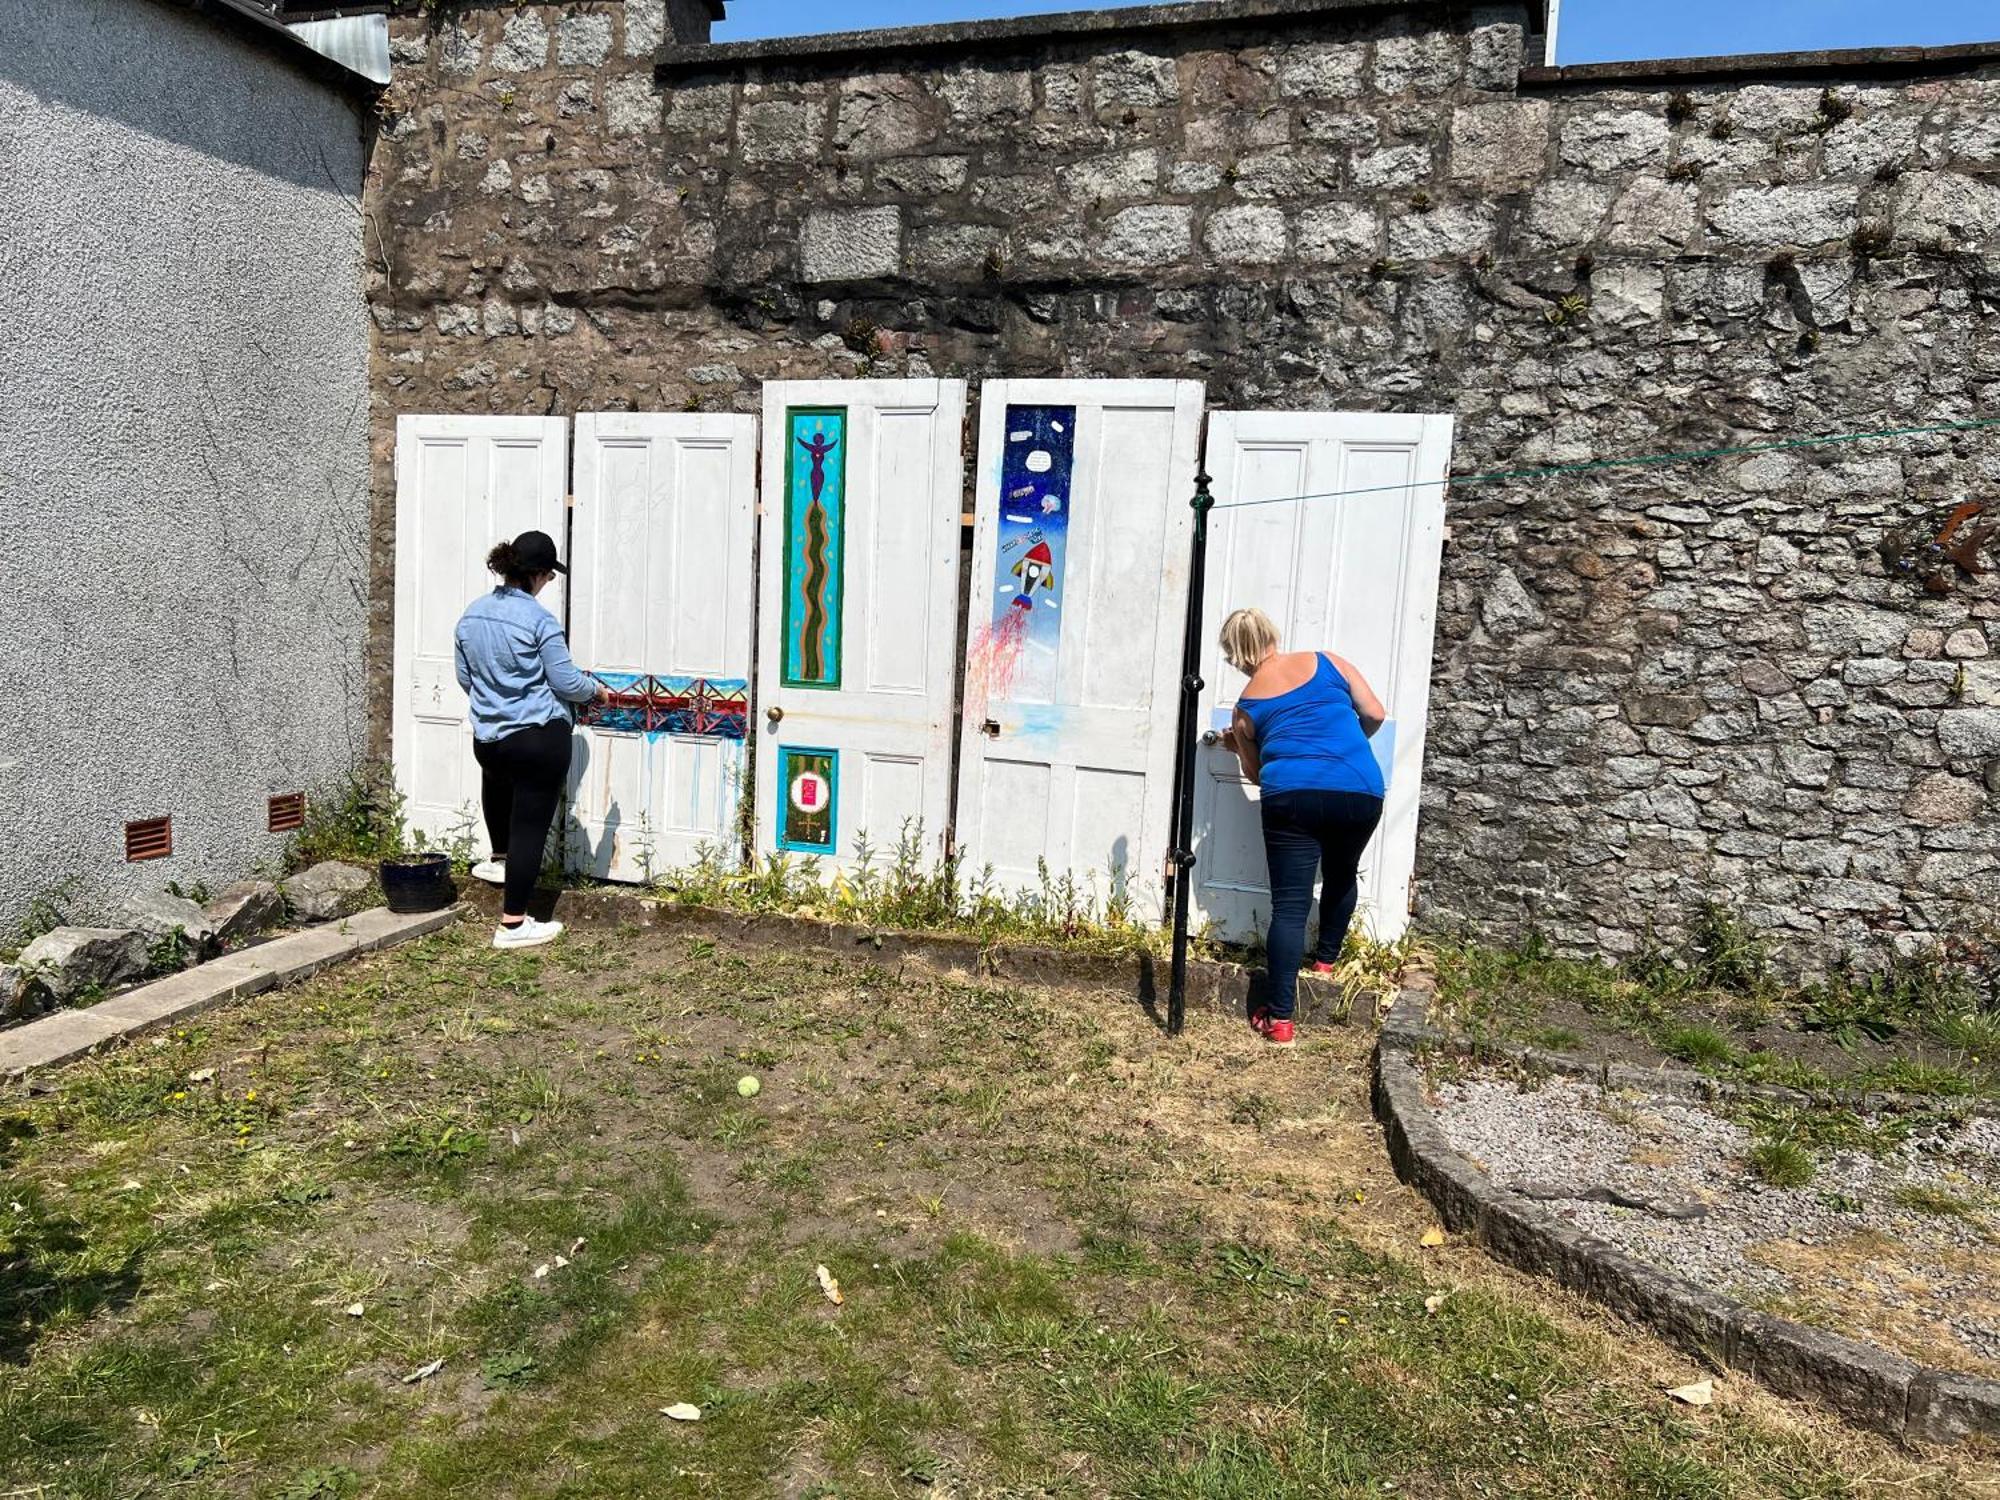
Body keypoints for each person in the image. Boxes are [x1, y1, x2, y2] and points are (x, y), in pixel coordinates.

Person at [1218, 607, 1387, 1048]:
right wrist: (1342, 748)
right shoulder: (1329, 661)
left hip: (1292, 796)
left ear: (1235, 654)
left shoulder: (1246, 706)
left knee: (1290, 907)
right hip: (1359, 788)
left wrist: (1237, 745)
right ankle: (1326, 964)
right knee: (1341, 871)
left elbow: (1255, 775)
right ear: (1272, 634)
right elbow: (1375, 713)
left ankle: (1280, 1021)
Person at [453, 529, 604, 949]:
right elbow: (566, 681)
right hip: (537, 737)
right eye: (550, 577)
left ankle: (500, 860)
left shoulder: (472, 614)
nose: (549, 584)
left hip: (489, 739)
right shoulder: (539, 621)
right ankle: (514, 924)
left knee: (499, 788)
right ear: (537, 575)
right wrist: (596, 691)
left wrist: (497, 699)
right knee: (531, 827)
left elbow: (466, 678)